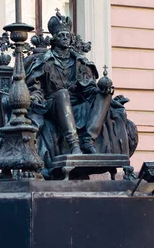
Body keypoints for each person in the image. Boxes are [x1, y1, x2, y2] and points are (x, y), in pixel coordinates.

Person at [25, 11, 137, 176]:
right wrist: (35, 96)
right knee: (62, 94)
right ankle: (74, 144)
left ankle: (88, 139)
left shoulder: (80, 62)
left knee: (104, 94)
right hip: (53, 107)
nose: (65, 37)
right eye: (61, 35)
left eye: (67, 35)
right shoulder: (44, 62)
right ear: (54, 39)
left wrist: (102, 90)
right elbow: (35, 88)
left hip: (78, 108)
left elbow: (89, 90)